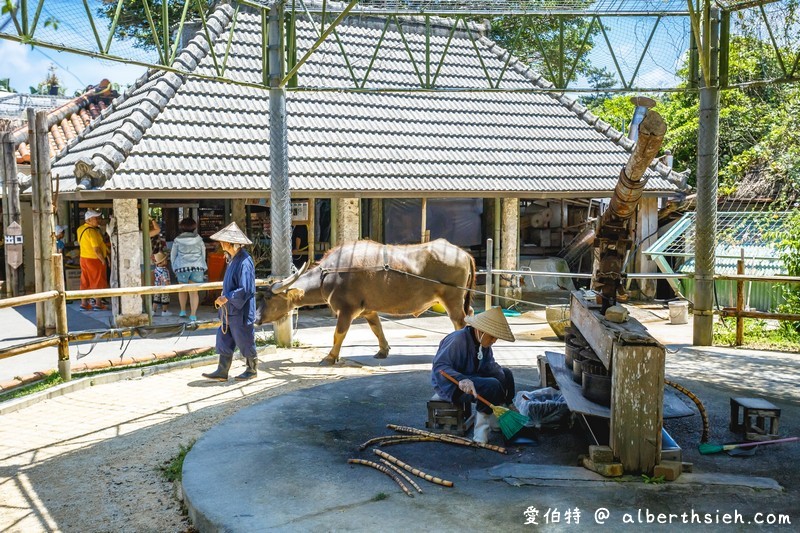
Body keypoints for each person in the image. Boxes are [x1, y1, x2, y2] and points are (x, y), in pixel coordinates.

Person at [431, 306, 516, 443]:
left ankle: (497, 420)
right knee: (491, 386)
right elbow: (440, 366)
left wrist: (508, 398)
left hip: (472, 377)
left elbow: (489, 366)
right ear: (481, 330)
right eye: (492, 336)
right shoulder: (457, 339)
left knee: (506, 374)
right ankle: (480, 435)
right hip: (451, 384)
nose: (494, 340)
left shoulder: (483, 342)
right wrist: (461, 379)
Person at [202, 222, 259, 382]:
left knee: (244, 338)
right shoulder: (233, 259)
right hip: (230, 310)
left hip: (240, 310)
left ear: (231, 243)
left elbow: (246, 289)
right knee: (224, 338)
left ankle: (252, 369)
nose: (221, 244)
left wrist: (226, 297)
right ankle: (222, 370)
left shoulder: (244, 261)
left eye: (224, 241)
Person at [170, 217, 207, 321]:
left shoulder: (177, 240)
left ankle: (182, 311)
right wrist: (202, 266)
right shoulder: (199, 239)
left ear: (182, 227)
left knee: (182, 290)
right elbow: (203, 253)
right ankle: (193, 314)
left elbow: (173, 255)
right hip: (197, 267)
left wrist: (174, 267)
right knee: (194, 292)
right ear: (194, 227)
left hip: (182, 267)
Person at [77, 209, 109, 311]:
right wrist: (102, 259)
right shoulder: (92, 232)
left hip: (84, 258)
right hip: (94, 259)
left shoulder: (80, 229)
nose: (98, 220)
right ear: (89, 219)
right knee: (98, 280)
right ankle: (98, 304)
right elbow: (96, 249)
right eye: (96, 218)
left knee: (85, 280)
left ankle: (84, 303)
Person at [152, 251, 171, 316]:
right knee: (165, 299)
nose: (166, 261)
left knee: (156, 299)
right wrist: (168, 284)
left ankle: (153, 311)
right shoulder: (164, 270)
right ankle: (164, 311)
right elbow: (164, 278)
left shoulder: (156, 269)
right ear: (161, 262)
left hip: (157, 286)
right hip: (164, 287)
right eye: (165, 260)